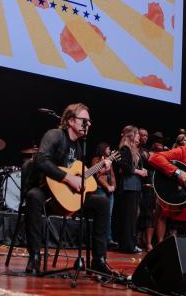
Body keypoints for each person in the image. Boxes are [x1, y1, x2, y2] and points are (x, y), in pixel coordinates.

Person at [23, 103, 114, 275]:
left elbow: (79, 179)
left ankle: (99, 259)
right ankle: (34, 256)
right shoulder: (55, 135)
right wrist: (67, 178)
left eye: (89, 121)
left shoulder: (79, 147)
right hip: (45, 191)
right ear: (71, 121)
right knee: (33, 197)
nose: (89, 124)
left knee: (102, 201)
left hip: (66, 198)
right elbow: (41, 160)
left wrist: (97, 172)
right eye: (84, 120)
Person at [114, 125, 147, 253]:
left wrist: (142, 170)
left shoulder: (133, 149)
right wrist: (139, 171)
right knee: (128, 217)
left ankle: (130, 244)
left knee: (133, 217)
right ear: (132, 135)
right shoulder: (125, 149)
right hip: (129, 187)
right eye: (137, 134)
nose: (139, 136)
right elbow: (124, 166)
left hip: (135, 186)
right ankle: (127, 245)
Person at [91, 141, 117, 248]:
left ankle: (108, 239)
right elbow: (98, 176)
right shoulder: (96, 160)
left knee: (109, 216)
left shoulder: (110, 161)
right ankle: (103, 240)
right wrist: (108, 186)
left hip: (110, 192)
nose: (109, 150)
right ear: (103, 149)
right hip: (101, 190)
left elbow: (113, 176)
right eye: (108, 148)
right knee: (103, 215)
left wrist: (114, 186)